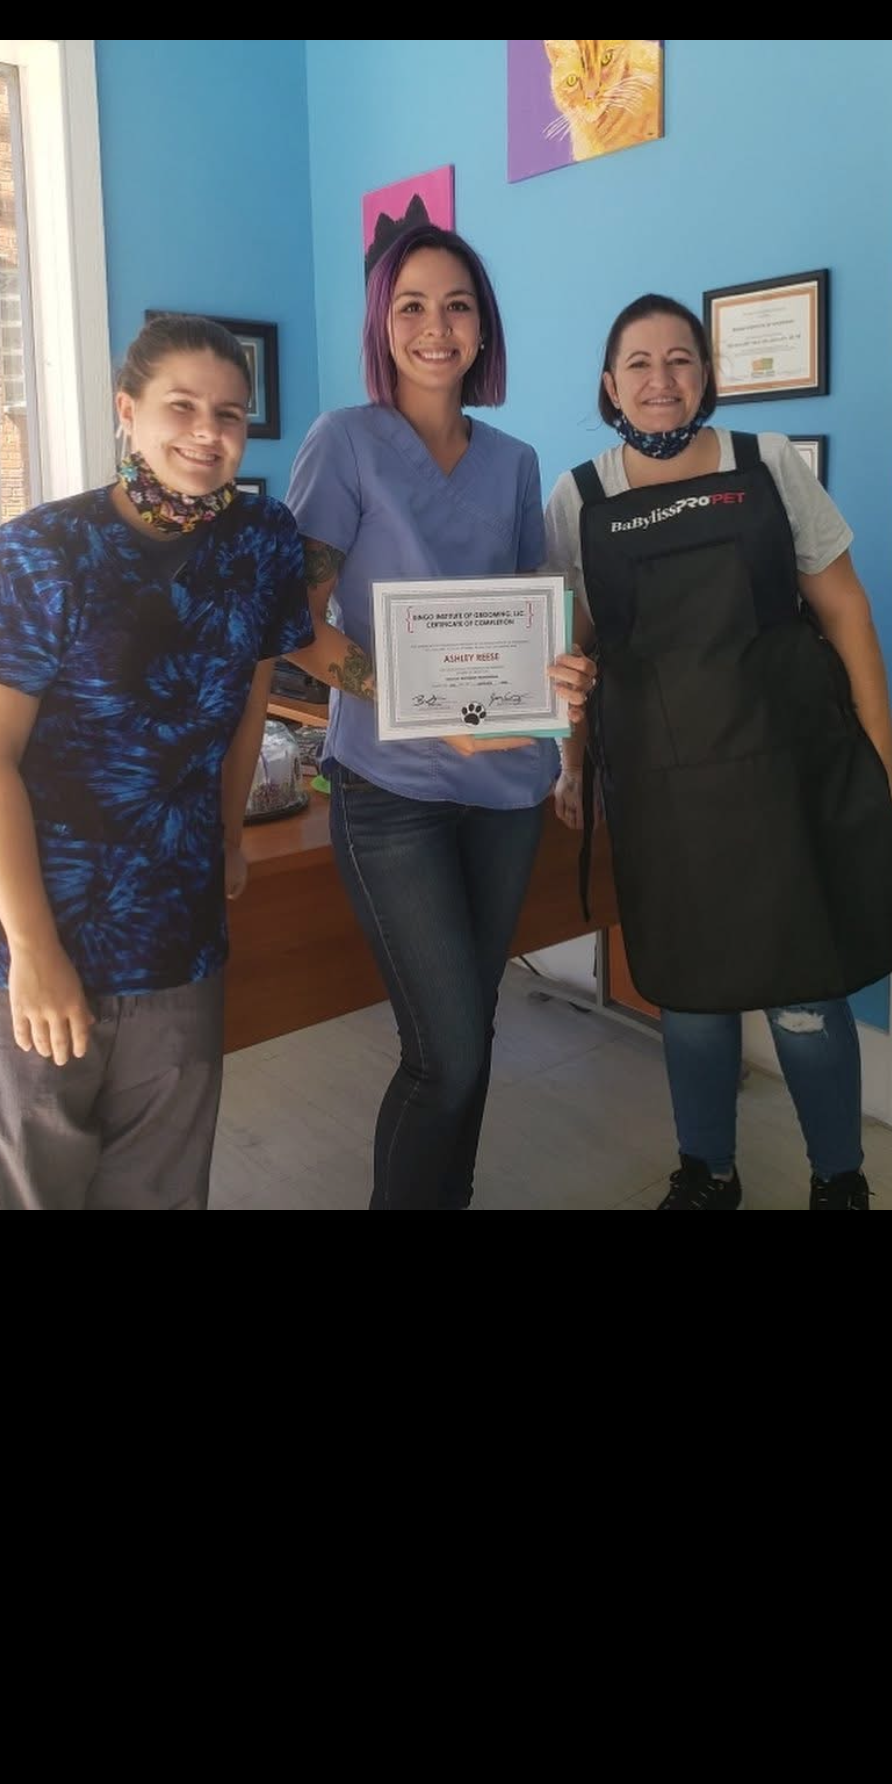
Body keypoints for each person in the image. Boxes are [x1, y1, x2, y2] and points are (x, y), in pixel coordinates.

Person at [0, 314, 317, 1212]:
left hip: (173, 933)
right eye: (182, 407)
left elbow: (247, 705)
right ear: (127, 411)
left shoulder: (262, 540)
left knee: (160, 1189)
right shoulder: (41, 551)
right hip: (14, 939)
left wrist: (228, 838)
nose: (208, 433)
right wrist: (34, 953)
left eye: (230, 414)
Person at [545, 292, 892, 1212]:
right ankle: (708, 1172)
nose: (660, 379)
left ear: (706, 375)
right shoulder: (580, 496)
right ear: (609, 384)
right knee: (691, 990)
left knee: (805, 990)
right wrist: (571, 763)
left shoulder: (768, 463)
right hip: (662, 790)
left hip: (785, 773)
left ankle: (839, 1179)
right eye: (638, 363)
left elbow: (845, 608)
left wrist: (881, 747)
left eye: (680, 359)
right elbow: (571, 651)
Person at [286, 228, 595, 1212]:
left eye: (457, 304)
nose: (436, 325)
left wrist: (563, 675)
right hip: (394, 790)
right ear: (383, 324)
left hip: (503, 789)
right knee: (447, 1052)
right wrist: (425, 708)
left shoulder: (515, 462)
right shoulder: (344, 443)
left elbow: (530, 614)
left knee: (471, 1030)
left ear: (483, 327)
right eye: (411, 304)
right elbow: (294, 624)